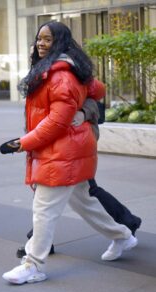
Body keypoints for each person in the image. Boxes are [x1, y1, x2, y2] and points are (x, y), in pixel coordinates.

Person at [2, 21, 138, 285]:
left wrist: (24, 142)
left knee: (43, 209)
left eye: (48, 39)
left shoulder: (60, 74)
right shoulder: (63, 68)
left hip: (63, 151)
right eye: (39, 38)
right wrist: (83, 105)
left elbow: (56, 122)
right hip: (69, 149)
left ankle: (32, 265)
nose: (41, 43)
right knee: (86, 203)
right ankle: (123, 236)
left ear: (60, 42)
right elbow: (97, 89)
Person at [16, 91, 141, 259]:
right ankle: (123, 232)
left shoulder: (69, 68)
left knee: (83, 194)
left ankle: (35, 254)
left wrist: (83, 113)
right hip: (52, 144)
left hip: (70, 144)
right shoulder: (43, 70)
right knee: (79, 195)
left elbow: (93, 97)